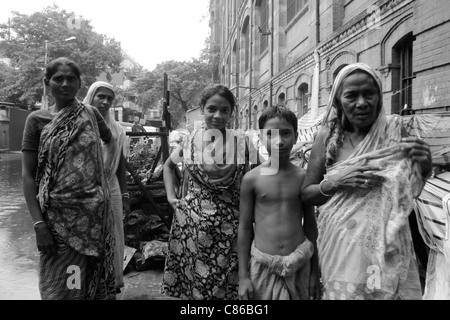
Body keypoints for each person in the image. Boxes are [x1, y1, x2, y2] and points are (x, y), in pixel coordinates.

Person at [301, 62, 433, 300]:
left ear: (379, 97)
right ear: (339, 100)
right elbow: (307, 195)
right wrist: (337, 181)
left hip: (388, 250)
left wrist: (424, 166)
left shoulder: (394, 129)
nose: (361, 103)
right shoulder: (327, 137)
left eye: (369, 94)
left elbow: (408, 191)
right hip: (341, 249)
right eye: (351, 95)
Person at [22, 57, 116, 300]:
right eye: (58, 78)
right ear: (47, 82)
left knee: (89, 285)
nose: (65, 83)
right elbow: (28, 175)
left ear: (79, 82)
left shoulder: (91, 114)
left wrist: (103, 175)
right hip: (55, 220)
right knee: (63, 288)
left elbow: (110, 140)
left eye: (71, 78)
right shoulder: (37, 120)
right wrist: (38, 224)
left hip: (93, 217)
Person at [161, 84, 258, 300]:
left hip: (233, 229)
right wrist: (171, 197)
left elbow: (261, 174)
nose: (218, 115)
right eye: (211, 109)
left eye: (225, 110)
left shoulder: (242, 141)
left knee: (230, 289)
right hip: (193, 227)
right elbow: (168, 167)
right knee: (198, 289)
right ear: (202, 109)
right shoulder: (190, 141)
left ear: (231, 112)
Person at [238, 105, 320, 300]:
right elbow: (244, 228)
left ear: (295, 135)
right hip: (263, 266)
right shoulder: (252, 179)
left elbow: (310, 224)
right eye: (271, 134)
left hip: (300, 263)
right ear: (260, 137)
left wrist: (315, 271)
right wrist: (243, 276)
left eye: (286, 133)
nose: (279, 141)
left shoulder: (304, 177)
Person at [83, 81, 130, 295]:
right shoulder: (78, 125)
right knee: (84, 239)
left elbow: (120, 165)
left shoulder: (117, 130)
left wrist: (125, 194)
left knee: (113, 237)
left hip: (111, 188)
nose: (105, 102)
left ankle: (108, 284)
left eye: (109, 99)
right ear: (91, 96)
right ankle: (79, 287)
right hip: (82, 191)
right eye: (100, 96)